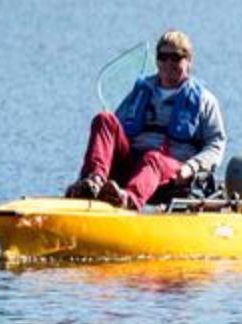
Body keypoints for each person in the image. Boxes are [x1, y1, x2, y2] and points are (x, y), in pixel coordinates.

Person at [66, 30, 226, 209]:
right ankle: (93, 182)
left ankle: (129, 200)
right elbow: (114, 129)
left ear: (189, 61)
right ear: (156, 60)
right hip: (133, 163)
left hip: (172, 170)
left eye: (175, 57)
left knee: (152, 158)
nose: (168, 63)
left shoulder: (204, 100)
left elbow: (215, 145)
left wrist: (191, 167)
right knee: (104, 119)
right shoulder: (142, 91)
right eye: (163, 57)